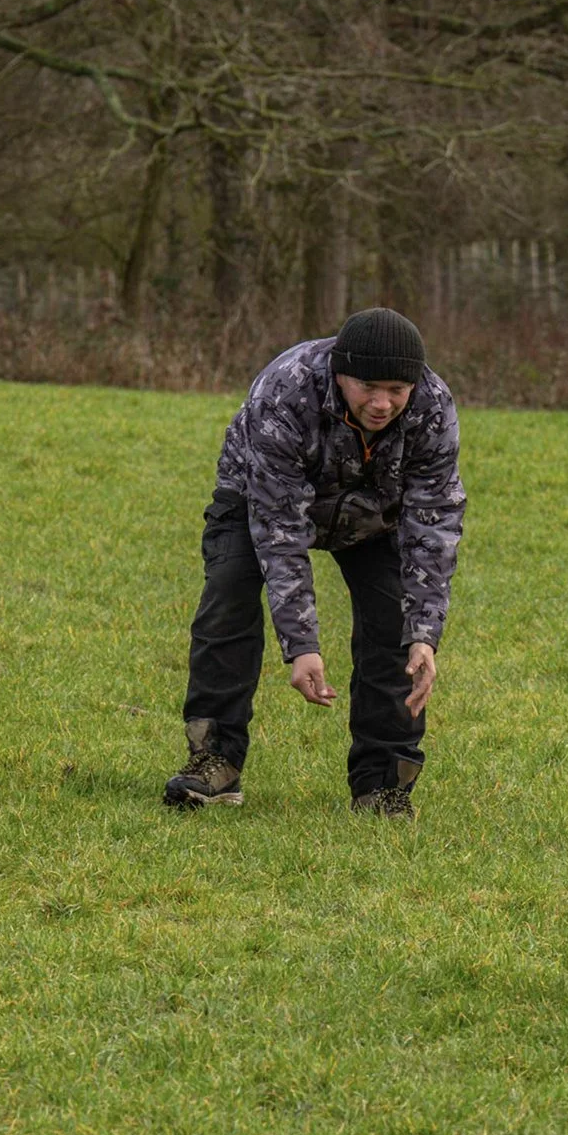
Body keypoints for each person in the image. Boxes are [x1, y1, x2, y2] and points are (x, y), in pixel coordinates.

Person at [165, 307, 466, 817]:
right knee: (227, 602)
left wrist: (425, 632)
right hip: (257, 499)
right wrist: (301, 647)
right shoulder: (287, 389)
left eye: (397, 389)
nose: (382, 403)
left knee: (395, 630)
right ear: (339, 372)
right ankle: (214, 761)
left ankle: (382, 784)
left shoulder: (432, 406)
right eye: (368, 386)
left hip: (377, 515)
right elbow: (279, 531)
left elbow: (433, 522)